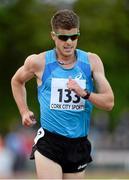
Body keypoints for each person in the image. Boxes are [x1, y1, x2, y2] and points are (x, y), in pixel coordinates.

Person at [11, 9, 114, 179]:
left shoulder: (91, 61)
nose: (69, 43)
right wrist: (23, 110)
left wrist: (85, 93)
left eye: (74, 37)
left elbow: (109, 103)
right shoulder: (39, 62)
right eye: (63, 37)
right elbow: (17, 81)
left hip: (78, 143)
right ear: (53, 36)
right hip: (49, 142)